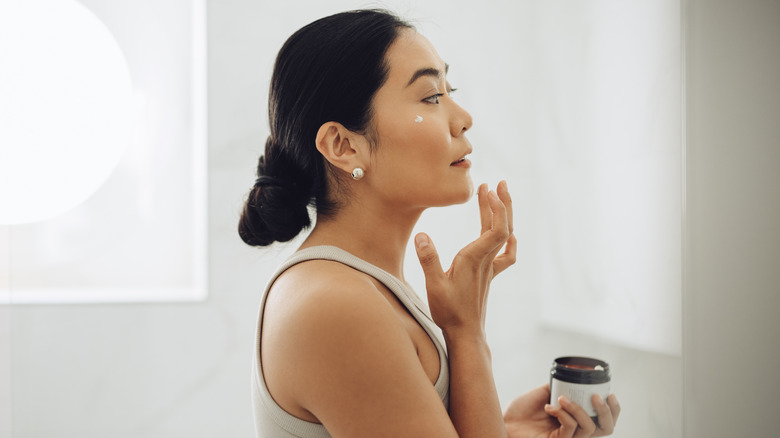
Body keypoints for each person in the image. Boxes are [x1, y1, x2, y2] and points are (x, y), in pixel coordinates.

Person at [239, 9, 620, 438]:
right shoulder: (335, 305)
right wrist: (466, 332)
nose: (463, 118)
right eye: (431, 97)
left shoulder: (362, 286)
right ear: (343, 145)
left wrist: (507, 429)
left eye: (449, 90)